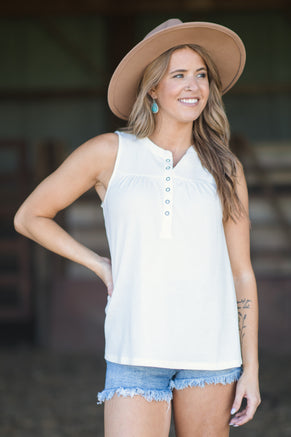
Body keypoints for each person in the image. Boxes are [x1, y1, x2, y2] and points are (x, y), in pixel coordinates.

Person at [14, 18, 261, 437]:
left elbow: (241, 271)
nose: (193, 86)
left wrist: (251, 370)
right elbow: (29, 217)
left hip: (212, 356)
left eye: (200, 75)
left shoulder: (225, 167)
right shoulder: (110, 153)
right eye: (178, 75)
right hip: (136, 349)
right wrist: (99, 264)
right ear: (152, 88)